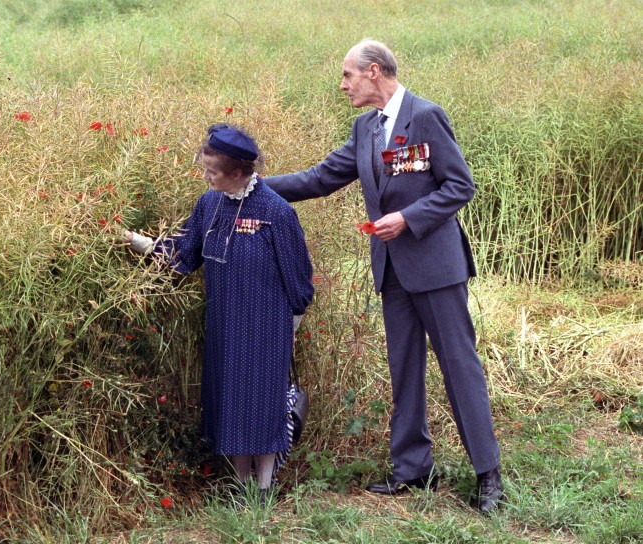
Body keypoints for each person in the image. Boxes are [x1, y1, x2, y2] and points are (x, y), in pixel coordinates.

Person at [265, 40, 503, 513]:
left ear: (374, 72)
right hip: (392, 272)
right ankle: (413, 469)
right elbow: (319, 178)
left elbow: (460, 185)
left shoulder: (427, 116)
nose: (342, 84)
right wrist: (251, 185)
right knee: (404, 370)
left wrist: (408, 218)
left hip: (436, 268)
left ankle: (489, 476)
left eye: (348, 75)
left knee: (460, 369)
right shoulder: (365, 129)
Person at [123, 124, 314, 503]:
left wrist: (292, 326)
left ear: (239, 173)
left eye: (212, 170)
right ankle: (241, 486)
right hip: (224, 323)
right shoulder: (208, 204)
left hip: (266, 327)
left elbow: (298, 277)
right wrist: (139, 243)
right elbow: (185, 253)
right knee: (231, 400)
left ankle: (264, 487)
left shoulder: (276, 211)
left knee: (262, 402)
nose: (205, 175)